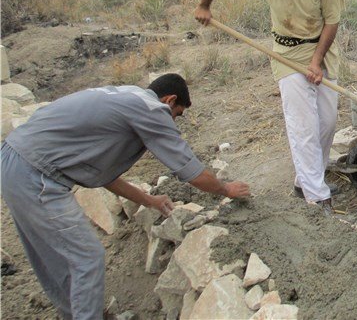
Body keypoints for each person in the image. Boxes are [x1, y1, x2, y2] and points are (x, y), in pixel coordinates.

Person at [0, 74, 250, 320]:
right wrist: (226, 189)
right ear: (170, 100)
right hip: (38, 177)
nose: (173, 121)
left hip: (13, 158)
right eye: (177, 114)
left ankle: (79, 313)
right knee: (87, 257)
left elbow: (103, 175)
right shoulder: (153, 109)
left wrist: (148, 200)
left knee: (56, 259)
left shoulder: (126, 95)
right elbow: (190, 171)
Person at [194, 0, 344, 213]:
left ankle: (306, 181)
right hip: (286, 55)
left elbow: (332, 21)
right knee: (303, 126)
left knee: (327, 122)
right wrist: (204, 4)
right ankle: (317, 196)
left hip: (321, 51)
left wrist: (316, 60)